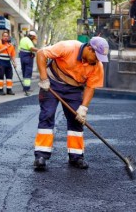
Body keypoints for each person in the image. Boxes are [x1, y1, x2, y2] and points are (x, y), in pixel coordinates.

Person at [33, 36, 109, 170]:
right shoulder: (68, 47)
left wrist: (83, 108)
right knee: (47, 115)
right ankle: (41, 156)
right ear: (89, 49)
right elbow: (41, 54)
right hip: (52, 84)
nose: (97, 60)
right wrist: (44, 78)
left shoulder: (97, 66)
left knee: (77, 120)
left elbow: (91, 87)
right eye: (96, 56)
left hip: (74, 89)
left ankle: (76, 156)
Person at [0, 31, 16, 95]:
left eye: (7, 36)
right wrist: (4, 48)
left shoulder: (10, 45)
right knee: (1, 76)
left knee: (9, 76)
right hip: (0, 62)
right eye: (4, 36)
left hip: (8, 62)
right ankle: (0, 90)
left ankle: (9, 90)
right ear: (2, 37)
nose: (6, 37)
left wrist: (14, 63)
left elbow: (13, 55)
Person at [18, 31, 38, 95]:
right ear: (31, 36)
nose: (34, 38)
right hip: (28, 58)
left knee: (24, 72)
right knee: (28, 73)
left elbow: (20, 48)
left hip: (22, 57)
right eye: (33, 37)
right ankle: (27, 88)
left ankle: (25, 87)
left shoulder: (23, 39)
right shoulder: (29, 41)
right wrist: (39, 50)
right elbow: (31, 48)